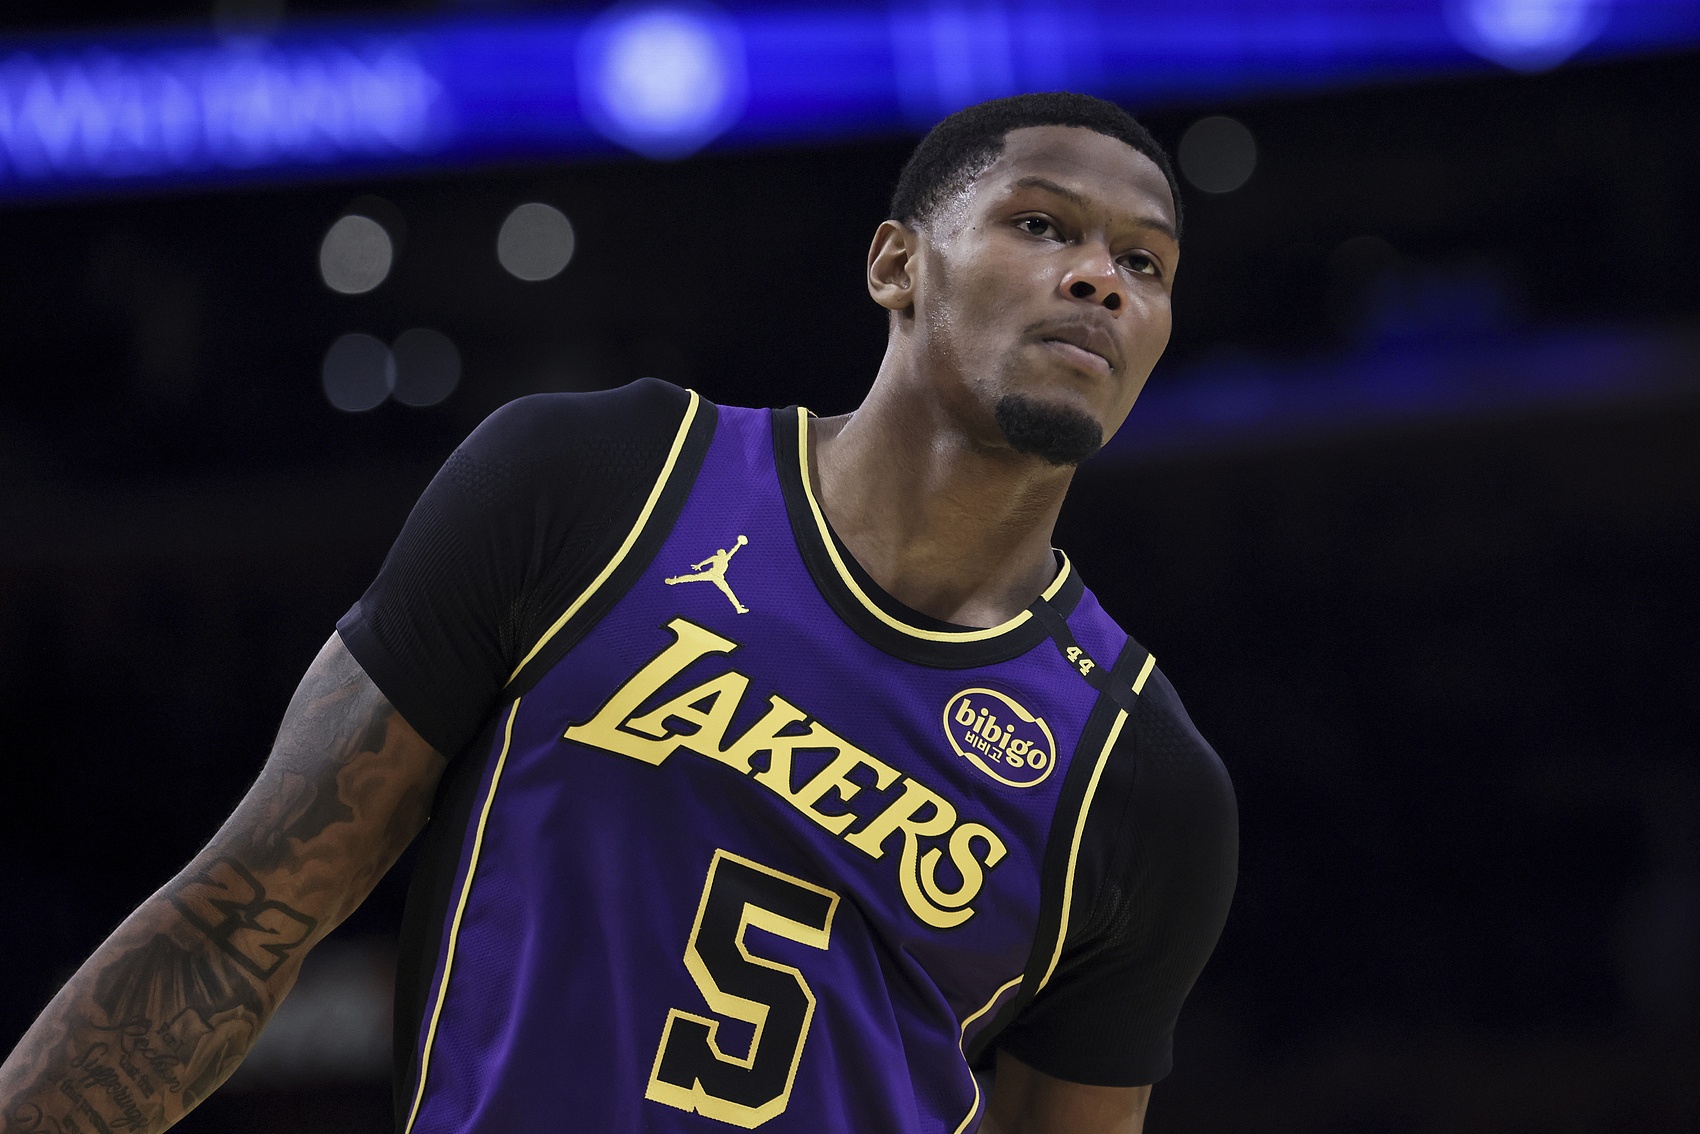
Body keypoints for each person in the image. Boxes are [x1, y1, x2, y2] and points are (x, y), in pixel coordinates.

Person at [0, 91, 1236, 1134]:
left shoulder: (1136, 774)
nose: (1099, 279)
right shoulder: (602, 482)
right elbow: (236, 926)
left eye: (1145, 264)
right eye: (1040, 224)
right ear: (894, 265)